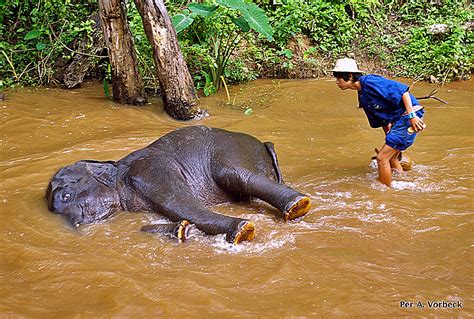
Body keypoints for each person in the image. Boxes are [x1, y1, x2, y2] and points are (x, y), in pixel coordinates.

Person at [331, 58, 426, 187]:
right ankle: (402, 180)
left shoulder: (370, 82)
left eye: (338, 78)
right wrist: (389, 138)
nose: (337, 82)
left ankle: (385, 192)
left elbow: (404, 92)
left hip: (408, 117)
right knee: (391, 158)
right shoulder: (362, 95)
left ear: (349, 76)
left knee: (382, 158)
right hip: (399, 121)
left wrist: (412, 116)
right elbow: (383, 119)